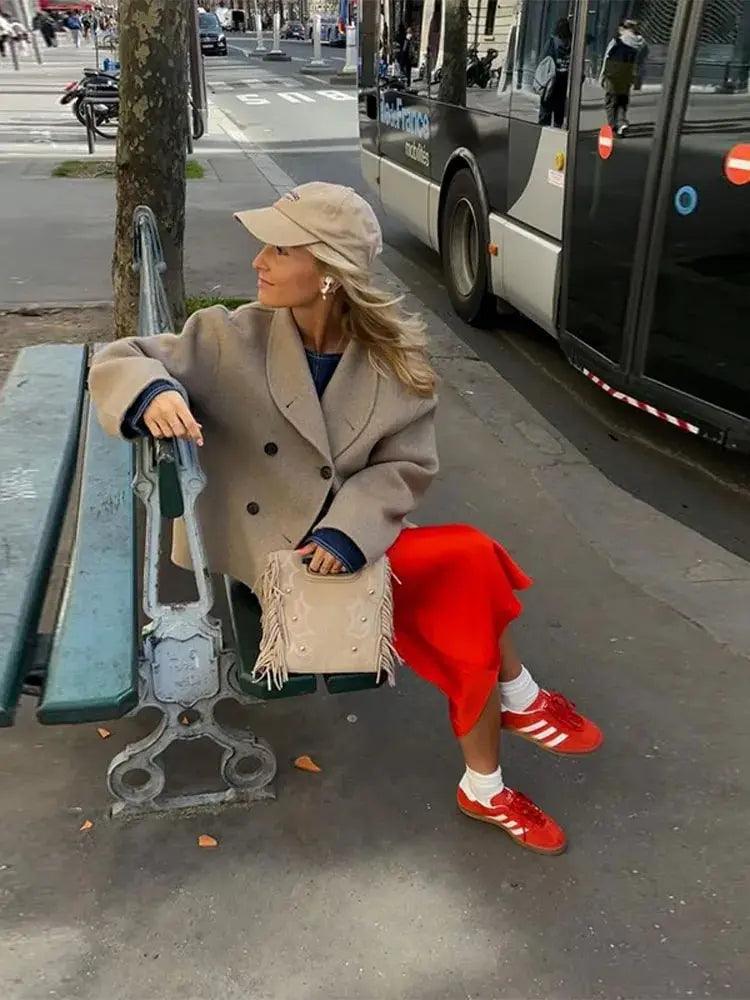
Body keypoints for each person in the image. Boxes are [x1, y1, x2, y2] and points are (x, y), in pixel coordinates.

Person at [88, 182, 602, 856]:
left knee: (466, 596)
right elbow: (117, 356)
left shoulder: (397, 363)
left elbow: (404, 468)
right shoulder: (226, 336)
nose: (258, 262)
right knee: (468, 569)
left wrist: (348, 531)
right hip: (273, 562)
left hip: (347, 544)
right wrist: (152, 392)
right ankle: (512, 717)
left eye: (278, 248)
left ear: (328, 271)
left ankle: (490, 771)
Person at [600, 18, 648, 136]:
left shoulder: (617, 41)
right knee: (622, 99)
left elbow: (607, 57)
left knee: (610, 100)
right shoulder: (642, 44)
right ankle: (622, 123)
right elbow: (641, 62)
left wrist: (602, 76)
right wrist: (638, 79)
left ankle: (612, 126)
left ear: (624, 28)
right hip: (627, 75)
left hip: (613, 74)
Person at [538, 17, 571, 128]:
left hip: (551, 79)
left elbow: (544, 60)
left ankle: (544, 129)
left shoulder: (552, 41)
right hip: (564, 79)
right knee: (559, 107)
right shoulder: (571, 42)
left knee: (546, 105)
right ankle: (557, 128)